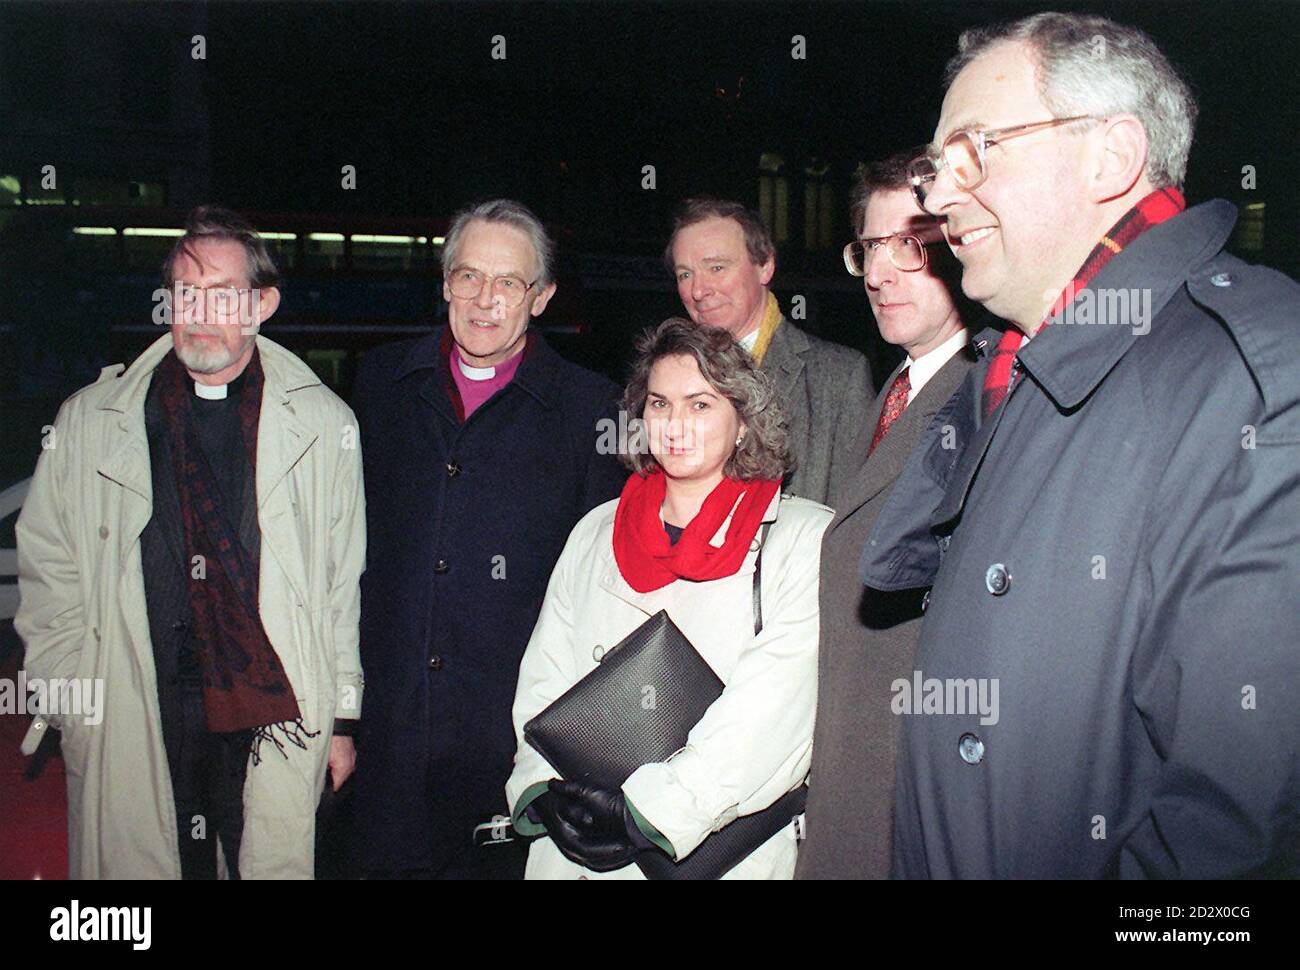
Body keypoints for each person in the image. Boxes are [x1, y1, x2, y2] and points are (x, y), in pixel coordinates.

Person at [861, 11, 1300, 877]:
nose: (937, 198)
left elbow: (1235, 833)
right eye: (934, 167)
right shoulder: (1016, 368)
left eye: (974, 150)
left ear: (1111, 155)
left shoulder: (1257, 373)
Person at [15, 205, 364, 878]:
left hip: (269, 701)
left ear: (262, 304)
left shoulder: (326, 424)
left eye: (222, 295)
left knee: (261, 856)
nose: (199, 313)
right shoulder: (92, 419)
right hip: (135, 695)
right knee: (148, 865)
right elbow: (47, 559)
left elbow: (338, 584)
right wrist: (66, 689)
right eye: (184, 293)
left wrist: (342, 719)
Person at [349, 199, 627, 879]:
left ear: (542, 298)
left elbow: (604, 587)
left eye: (509, 283)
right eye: (468, 276)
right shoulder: (380, 384)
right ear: (444, 283)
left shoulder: (592, 408)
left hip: (511, 743)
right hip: (389, 735)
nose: (484, 300)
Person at [505, 317, 832, 880]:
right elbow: (544, 676)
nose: (676, 424)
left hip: (710, 850)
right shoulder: (595, 530)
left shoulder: (800, 539)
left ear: (743, 423)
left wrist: (646, 813)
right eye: (659, 404)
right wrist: (542, 789)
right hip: (576, 846)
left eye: (701, 405)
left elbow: (772, 716)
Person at [796, 152, 979, 880]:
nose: (878, 275)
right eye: (869, 249)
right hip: (850, 766)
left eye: (909, 244)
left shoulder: (988, 400)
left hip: (908, 789)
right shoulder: (895, 387)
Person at [667, 197, 873, 505]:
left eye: (716, 268)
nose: (698, 290)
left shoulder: (839, 378)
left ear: (765, 266)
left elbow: (856, 517)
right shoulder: (666, 381)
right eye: (685, 274)